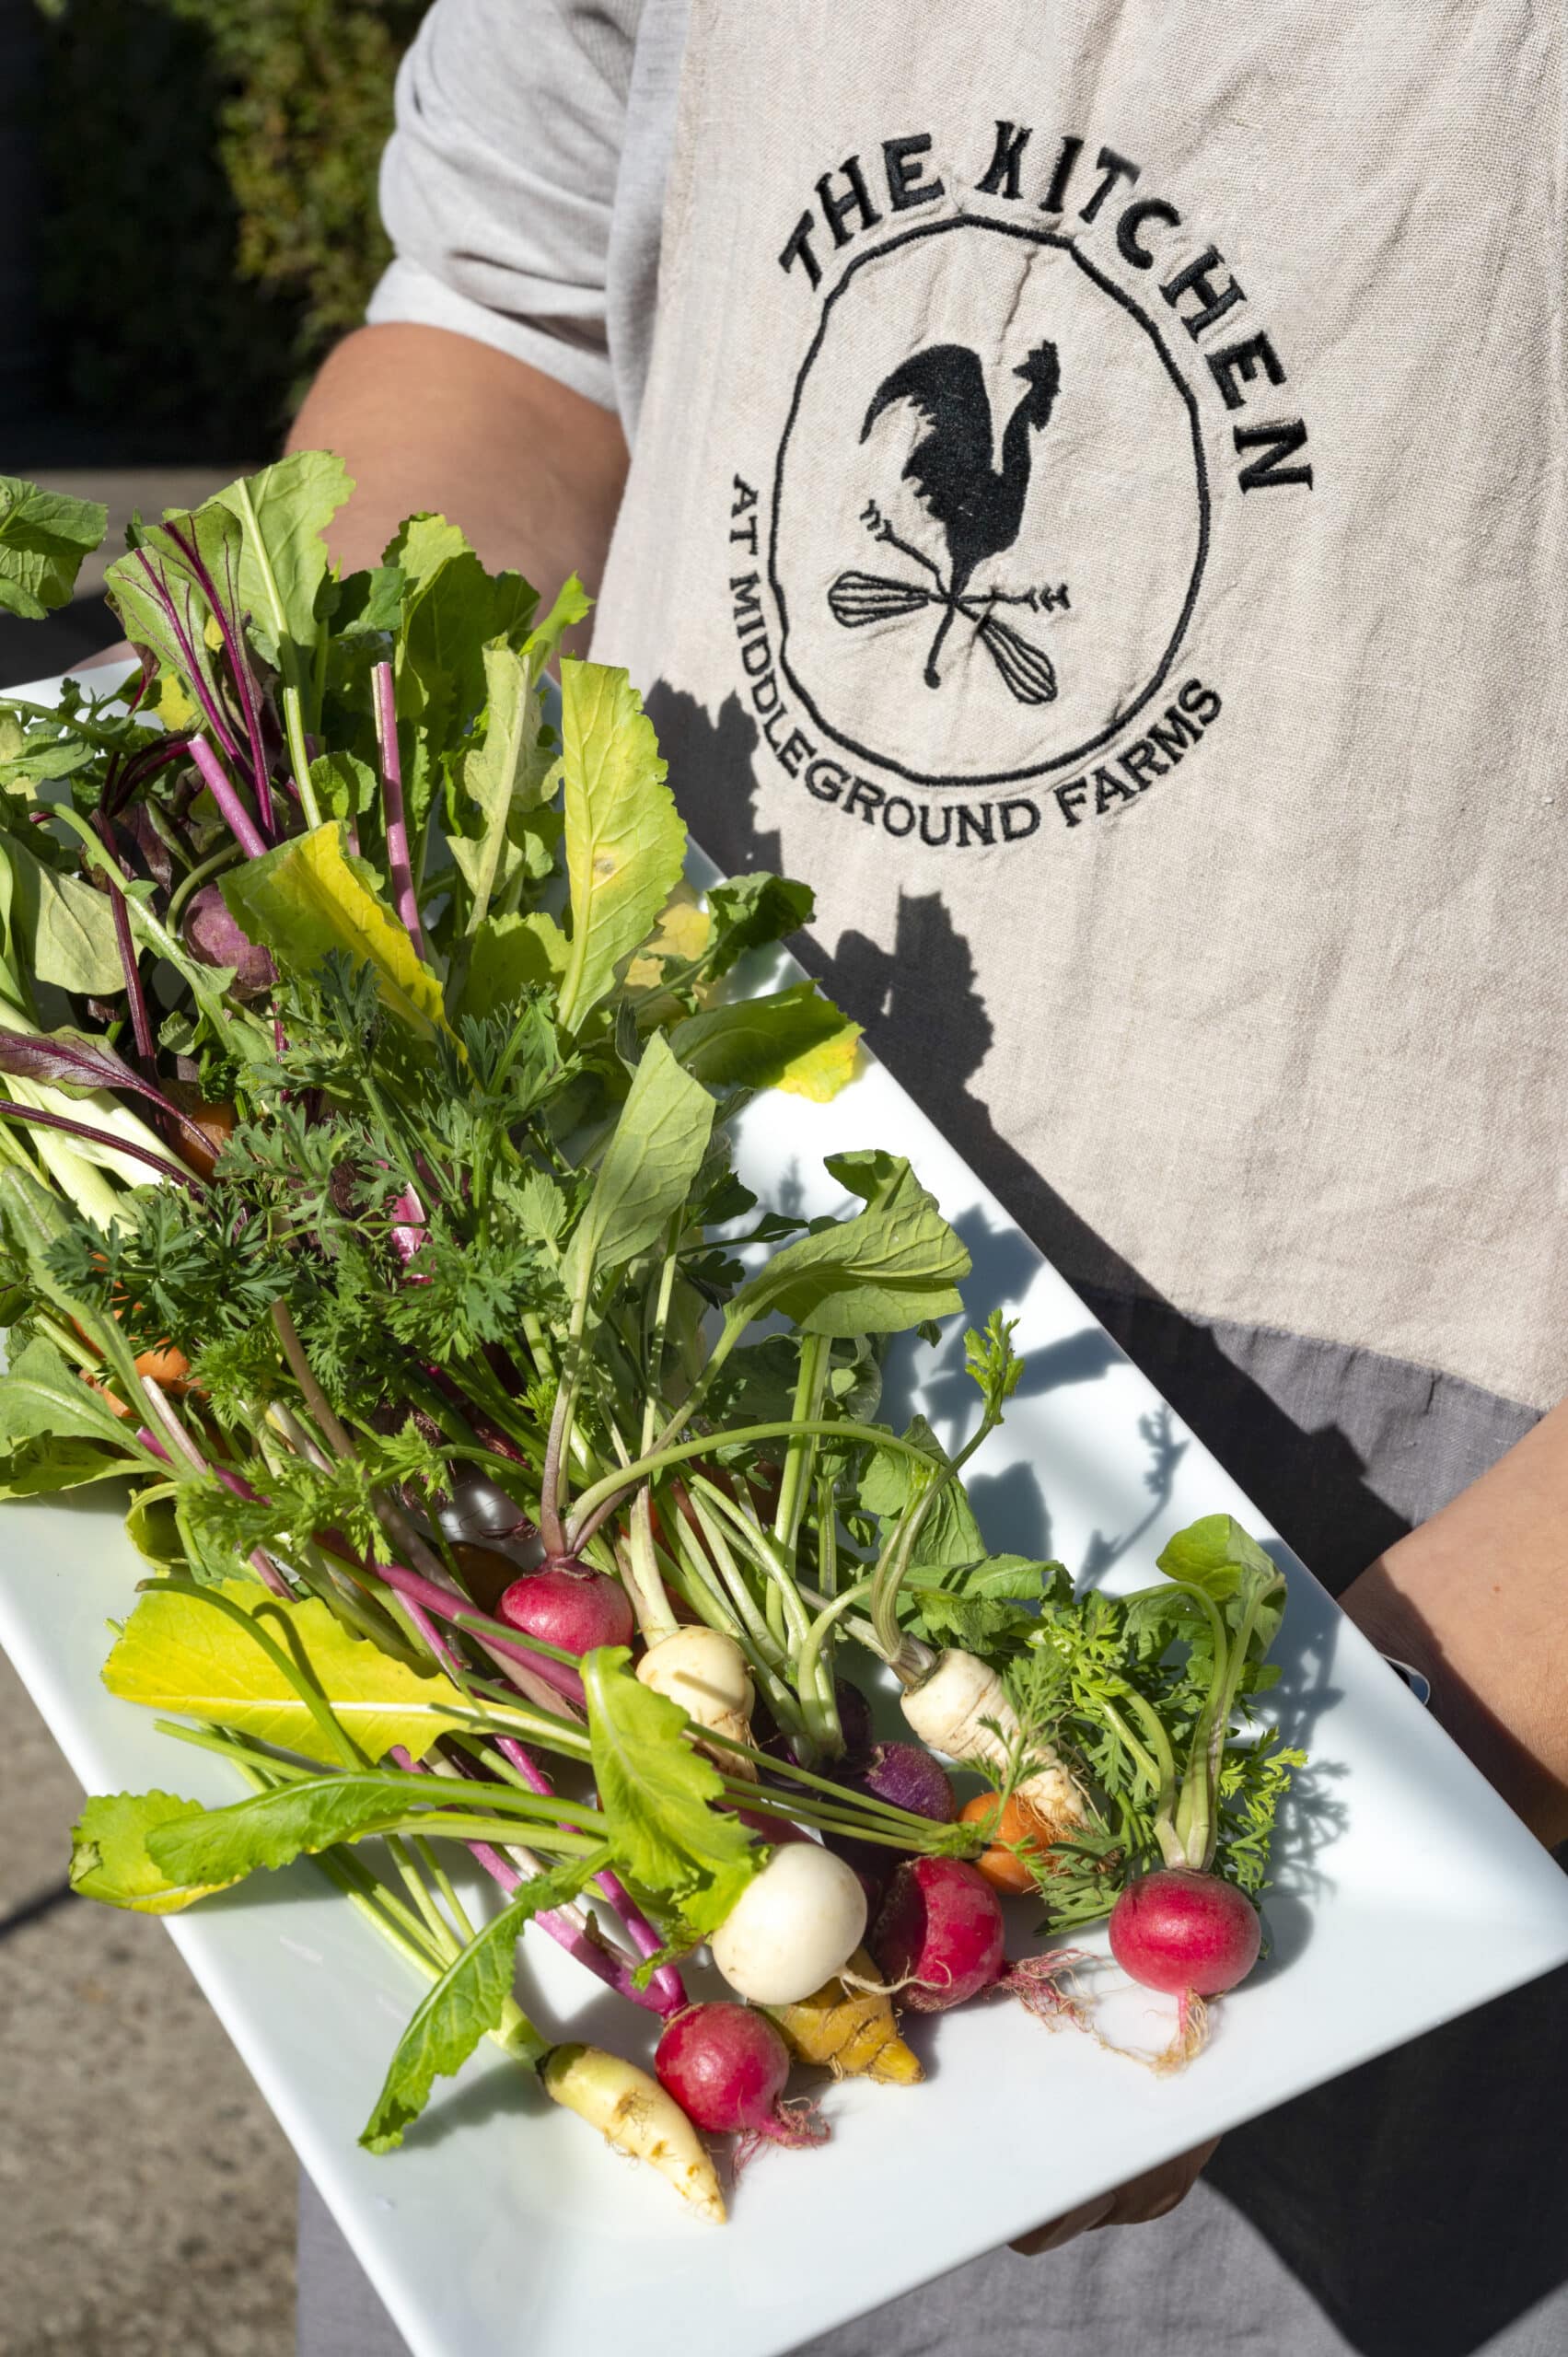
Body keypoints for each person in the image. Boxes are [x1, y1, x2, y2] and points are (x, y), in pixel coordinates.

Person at [287, 5, 1568, 2351]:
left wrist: (1433, 1759)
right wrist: (312, 902)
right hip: (616, 1293)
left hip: (1447, 1507)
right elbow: (512, 324)